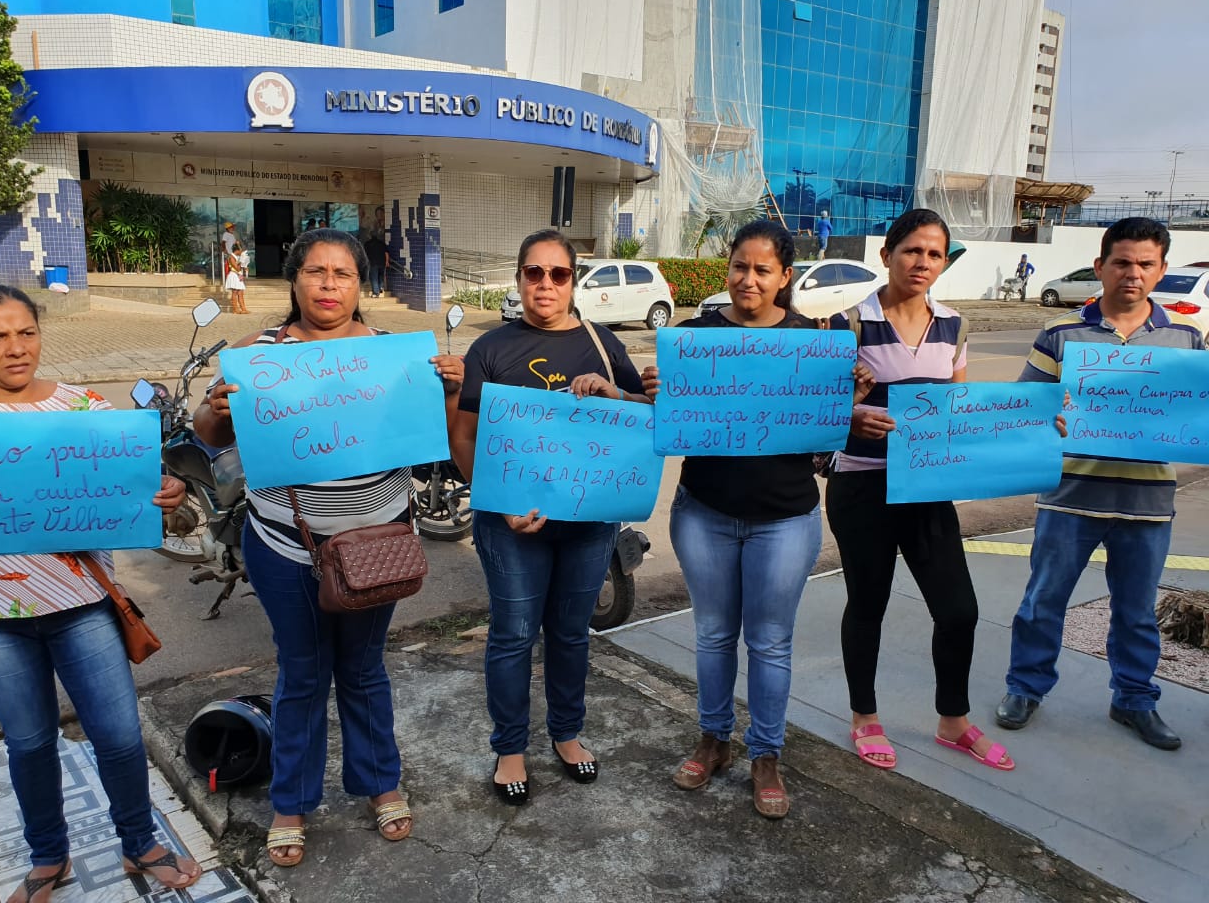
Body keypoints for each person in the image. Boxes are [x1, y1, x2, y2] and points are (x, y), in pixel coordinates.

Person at [194, 228, 464, 863]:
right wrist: (216, 408)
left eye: (342, 274)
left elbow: (444, 442)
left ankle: (379, 784)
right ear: (293, 281)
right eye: (315, 272)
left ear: (361, 285)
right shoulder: (257, 356)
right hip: (286, 550)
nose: (328, 285)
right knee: (303, 673)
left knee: (365, 670)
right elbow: (208, 436)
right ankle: (291, 801)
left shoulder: (398, 357)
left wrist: (447, 390)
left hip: (379, 548)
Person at [0, 285, 203, 903]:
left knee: (119, 735)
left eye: (25, 332)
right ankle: (47, 856)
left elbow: (141, 490)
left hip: (82, 610)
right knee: (28, 744)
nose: (15, 348)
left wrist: (166, 492)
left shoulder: (84, 411)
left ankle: (140, 843)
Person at [639, 219, 872, 819]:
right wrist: (655, 389)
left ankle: (765, 754)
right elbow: (663, 417)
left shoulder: (815, 344)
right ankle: (713, 739)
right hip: (705, 513)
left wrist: (845, 396)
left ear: (784, 277)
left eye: (763, 269)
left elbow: (828, 439)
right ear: (729, 270)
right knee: (714, 634)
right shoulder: (694, 339)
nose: (749, 278)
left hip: (785, 520)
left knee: (770, 642)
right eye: (740, 266)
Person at [447, 229, 648, 806]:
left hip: (588, 521)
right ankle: (511, 747)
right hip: (511, 523)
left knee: (569, 633)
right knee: (512, 635)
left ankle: (566, 732)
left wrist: (613, 393)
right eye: (533, 273)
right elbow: (464, 438)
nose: (545, 284)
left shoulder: (604, 344)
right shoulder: (490, 349)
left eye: (558, 274)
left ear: (573, 280)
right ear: (518, 279)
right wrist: (497, 501)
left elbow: (644, 417)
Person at [996, 217, 1204, 750]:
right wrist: (1051, 417)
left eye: (1145, 264)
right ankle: (1025, 687)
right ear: (1100, 267)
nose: (1132, 274)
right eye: (1121, 262)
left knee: (1136, 612)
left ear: (1160, 271)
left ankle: (1133, 698)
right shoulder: (1061, 333)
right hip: (1070, 496)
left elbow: (1192, 414)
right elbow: (1026, 407)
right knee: (1043, 601)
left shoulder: (1186, 338)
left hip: (1148, 500)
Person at [826, 208, 1015, 774]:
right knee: (868, 604)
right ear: (887, 256)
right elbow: (814, 414)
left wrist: (1034, 428)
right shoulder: (847, 323)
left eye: (935, 254)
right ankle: (865, 717)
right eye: (912, 250)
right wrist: (851, 413)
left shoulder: (953, 325)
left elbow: (957, 409)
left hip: (927, 489)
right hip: (861, 485)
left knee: (959, 610)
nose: (923, 263)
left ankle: (952, 720)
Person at [224, 242, 249, 314]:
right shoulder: (231, 257)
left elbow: (240, 268)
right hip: (234, 275)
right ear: (237, 250)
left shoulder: (237, 257)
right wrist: (241, 261)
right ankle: (235, 309)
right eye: (240, 251)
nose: (241, 252)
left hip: (238, 275)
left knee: (240, 292)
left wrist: (245, 265)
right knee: (235, 292)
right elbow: (237, 268)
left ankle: (243, 309)